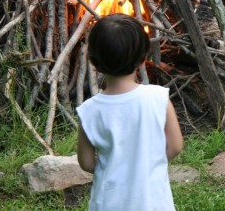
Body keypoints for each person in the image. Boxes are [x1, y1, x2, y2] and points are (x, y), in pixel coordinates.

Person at [76, 14, 184, 210]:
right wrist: (148, 162)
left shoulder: (89, 111)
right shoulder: (158, 98)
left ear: (93, 61)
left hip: (108, 202)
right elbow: (175, 146)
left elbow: (86, 162)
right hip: (153, 202)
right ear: (143, 60)